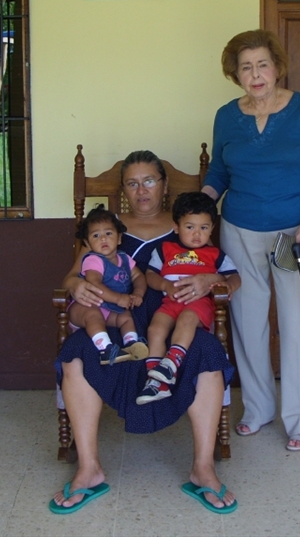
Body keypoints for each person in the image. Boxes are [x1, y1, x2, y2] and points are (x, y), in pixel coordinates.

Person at [51, 151, 238, 515]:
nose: (142, 190)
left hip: (177, 316)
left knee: (208, 354)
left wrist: (210, 279)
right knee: (76, 354)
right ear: (123, 190)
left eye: (149, 181)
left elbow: (223, 271)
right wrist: (75, 286)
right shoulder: (105, 227)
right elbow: (73, 274)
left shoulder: (188, 224)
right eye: (132, 184)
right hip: (119, 318)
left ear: (164, 186)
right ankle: (89, 468)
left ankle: (202, 468)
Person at [202, 29, 300, 453]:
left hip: (292, 234)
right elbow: (219, 172)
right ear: (235, 74)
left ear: (277, 68)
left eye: (262, 65)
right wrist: (200, 206)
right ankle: (258, 409)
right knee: (247, 321)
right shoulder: (227, 116)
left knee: (297, 324)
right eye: (246, 67)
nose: (255, 74)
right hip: (239, 230)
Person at [137, 192, 240, 404]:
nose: (197, 234)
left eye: (204, 228)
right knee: (155, 329)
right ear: (176, 227)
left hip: (198, 304)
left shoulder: (215, 254)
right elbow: (150, 275)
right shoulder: (165, 249)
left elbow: (235, 276)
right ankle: (156, 383)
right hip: (171, 301)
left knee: (186, 319)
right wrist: (165, 285)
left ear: (212, 228)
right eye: (190, 227)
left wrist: (228, 286)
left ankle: (170, 364)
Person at [70, 205, 149, 365]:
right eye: (96, 235)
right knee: (93, 315)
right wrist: (119, 298)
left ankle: (131, 343)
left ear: (119, 238)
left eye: (108, 233)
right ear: (88, 243)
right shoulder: (93, 260)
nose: (103, 239)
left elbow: (138, 276)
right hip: (86, 307)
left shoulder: (124, 258)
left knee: (125, 317)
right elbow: (95, 283)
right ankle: (105, 349)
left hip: (109, 308)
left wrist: (138, 293)